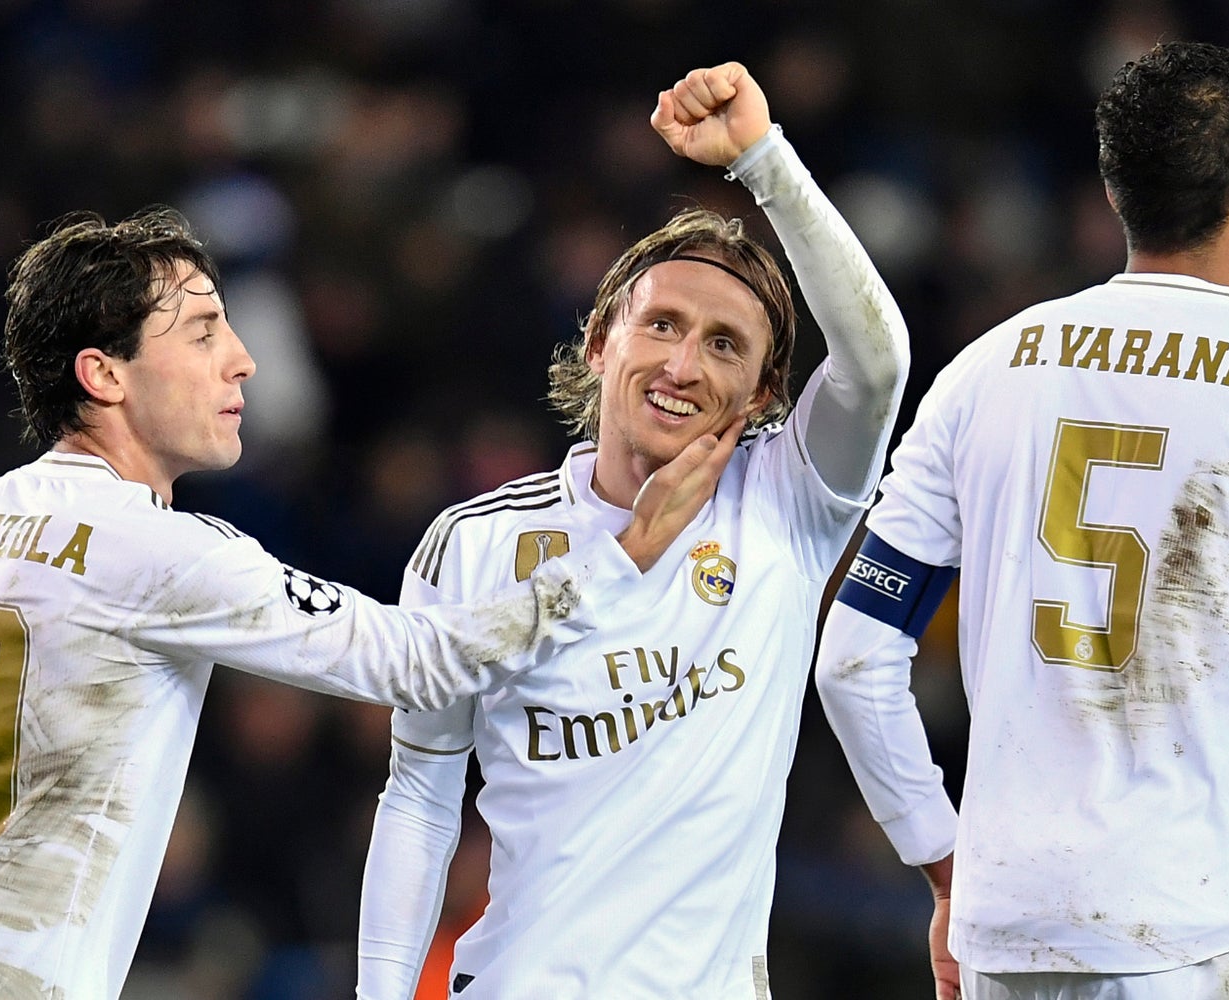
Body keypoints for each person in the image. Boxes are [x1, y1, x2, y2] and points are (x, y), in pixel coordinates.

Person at [0, 207, 735, 1000]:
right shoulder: (155, 550)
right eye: (201, 331)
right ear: (102, 374)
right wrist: (618, 554)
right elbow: (421, 661)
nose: (243, 361)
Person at [815, 41, 1229, 1000]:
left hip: (1005, 927)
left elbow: (853, 656)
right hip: (1183, 934)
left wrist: (943, 862)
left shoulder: (986, 368)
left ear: (1118, 192)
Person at [356, 62, 910, 997]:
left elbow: (878, 359)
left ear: (767, 394)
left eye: (725, 343)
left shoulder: (788, 505)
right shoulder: (477, 543)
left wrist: (765, 163)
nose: (683, 364)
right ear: (599, 342)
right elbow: (420, 793)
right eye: (661, 325)